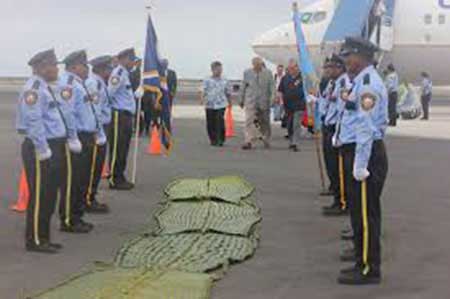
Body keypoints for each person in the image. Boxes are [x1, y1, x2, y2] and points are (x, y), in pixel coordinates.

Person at [334, 36, 388, 285]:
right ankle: (360, 253)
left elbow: (366, 128)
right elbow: (353, 111)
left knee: (366, 215)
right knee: (359, 212)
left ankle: (368, 268)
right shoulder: (360, 82)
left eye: (349, 56)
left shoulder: (367, 84)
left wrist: (360, 164)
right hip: (356, 150)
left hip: (364, 154)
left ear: (362, 57)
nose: (346, 61)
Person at [16, 49, 79, 253]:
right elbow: (34, 122)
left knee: (50, 195)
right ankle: (34, 240)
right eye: (53, 65)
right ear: (41, 67)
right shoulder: (34, 89)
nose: (56, 69)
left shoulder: (46, 87)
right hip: (40, 148)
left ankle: (44, 237)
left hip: (53, 145)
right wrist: (43, 149)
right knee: (40, 194)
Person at [59, 50, 105, 232]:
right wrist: (72, 138)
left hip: (86, 136)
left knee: (82, 179)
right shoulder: (69, 84)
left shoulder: (81, 84)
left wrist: (97, 132)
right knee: (73, 181)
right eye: (84, 65)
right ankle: (69, 220)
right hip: (77, 138)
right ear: (74, 67)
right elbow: (68, 114)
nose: (87, 69)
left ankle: (77, 216)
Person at [84, 55, 114, 214]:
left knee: (96, 167)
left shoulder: (99, 83)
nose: (111, 71)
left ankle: (90, 196)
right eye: (109, 68)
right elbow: (93, 111)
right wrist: (98, 132)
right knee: (93, 167)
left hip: (102, 128)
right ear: (102, 69)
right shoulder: (93, 84)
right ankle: (88, 199)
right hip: (98, 130)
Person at [322, 55, 350, 217]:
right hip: (328, 125)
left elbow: (343, 110)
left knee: (339, 170)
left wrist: (339, 133)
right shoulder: (332, 83)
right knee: (332, 167)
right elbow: (326, 101)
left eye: (331, 67)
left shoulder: (344, 83)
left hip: (336, 129)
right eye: (328, 67)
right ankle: (336, 198)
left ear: (340, 68)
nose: (328, 70)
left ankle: (343, 203)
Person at [108, 48, 137, 190]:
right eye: (132, 60)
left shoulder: (125, 74)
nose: (133, 63)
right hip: (119, 115)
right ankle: (114, 178)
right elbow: (109, 94)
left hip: (126, 116)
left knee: (123, 148)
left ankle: (120, 176)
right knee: (117, 148)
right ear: (124, 59)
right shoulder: (118, 73)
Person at [240, 57, 274, 150]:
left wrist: (272, 99)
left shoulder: (268, 73)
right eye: (255, 65)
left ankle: (266, 138)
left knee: (264, 122)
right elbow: (243, 86)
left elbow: (272, 87)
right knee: (248, 121)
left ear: (261, 64)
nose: (257, 67)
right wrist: (241, 99)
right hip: (251, 101)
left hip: (264, 101)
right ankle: (248, 141)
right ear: (253, 65)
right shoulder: (247, 73)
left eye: (259, 65)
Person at [200, 61, 231, 146]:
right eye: (218, 69)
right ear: (212, 70)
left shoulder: (225, 79)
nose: (220, 71)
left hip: (221, 104)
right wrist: (202, 99)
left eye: (221, 69)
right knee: (210, 122)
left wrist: (230, 102)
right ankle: (213, 139)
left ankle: (220, 139)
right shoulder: (207, 79)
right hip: (210, 103)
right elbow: (203, 90)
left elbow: (228, 91)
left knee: (219, 121)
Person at [278, 59, 305, 152]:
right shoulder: (285, 78)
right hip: (288, 106)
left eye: (293, 68)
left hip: (299, 105)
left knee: (296, 124)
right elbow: (280, 90)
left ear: (297, 67)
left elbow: (310, 90)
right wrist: (281, 100)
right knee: (289, 125)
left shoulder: (303, 77)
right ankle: (291, 140)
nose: (292, 70)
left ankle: (295, 143)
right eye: (290, 68)